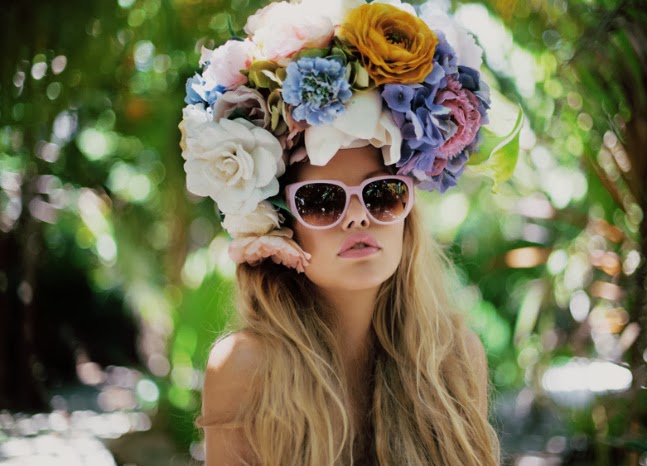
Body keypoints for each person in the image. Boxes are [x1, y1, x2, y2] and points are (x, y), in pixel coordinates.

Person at [179, 0, 511, 464]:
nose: (358, 218)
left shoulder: (455, 360)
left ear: (408, 211)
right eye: (321, 201)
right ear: (281, 225)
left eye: (382, 194)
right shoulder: (244, 367)